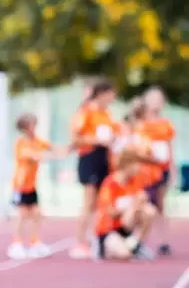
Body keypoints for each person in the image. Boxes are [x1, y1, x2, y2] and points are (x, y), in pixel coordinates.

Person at [6, 114, 68, 260]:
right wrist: (49, 155)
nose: (35, 128)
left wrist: (66, 149)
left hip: (31, 186)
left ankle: (35, 242)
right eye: (33, 125)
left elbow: (52, 148)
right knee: (21, 215)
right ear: (26, 127)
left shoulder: (37, 141)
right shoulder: (21, 142)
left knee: (37, 214)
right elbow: (32, 155)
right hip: (20, 185)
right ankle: (17, 244)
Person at [68, 79, 118, 259]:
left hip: (105, 157)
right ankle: (79, 242)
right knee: (88, 202)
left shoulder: (107, 113)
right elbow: (75, 138)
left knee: (102, 202)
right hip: (90, 157)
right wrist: (98, 140)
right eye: (112, 93)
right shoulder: (86, 112)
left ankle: (98, 238)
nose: (114, 97)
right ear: (102, 93)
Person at [93, 148, 157, 261]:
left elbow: (143, 199)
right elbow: (111, 212)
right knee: (124, 254)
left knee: (149, 210)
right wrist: (131, 207)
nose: (139, 168)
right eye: (137, 164)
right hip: (108, 230)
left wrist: (138, 203)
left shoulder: (133, 181)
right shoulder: (110, 184)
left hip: (125, 229)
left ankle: (136, 245)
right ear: (128, 164)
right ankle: (102, 247)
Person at [139, 87, 177, 256]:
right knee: (142, 202)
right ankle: (139, 240)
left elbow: (170, 147)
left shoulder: (166, 124)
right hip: (144, 170)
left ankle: (163, 240)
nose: (157, 103)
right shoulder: (140, 123)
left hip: (162, 169)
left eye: (159, 99)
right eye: (153, 99)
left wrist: (173, 169)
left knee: (160, 204)